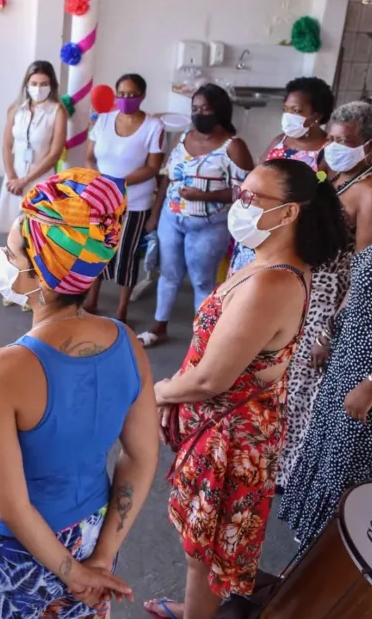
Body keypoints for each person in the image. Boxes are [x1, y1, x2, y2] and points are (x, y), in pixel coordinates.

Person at [147, 159, 347, 619]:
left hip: (232, 436)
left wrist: (153, 393)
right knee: (202, 541)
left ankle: (196, 614)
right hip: (227, 425)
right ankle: (195, 608)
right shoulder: (268, 262)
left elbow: (209, 379)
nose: (241, 204)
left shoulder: (272, 282)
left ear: (290, 213)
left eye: (253, 198)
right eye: (243, 193)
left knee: (207, 551)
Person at [0, 170, 158, 618]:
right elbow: (141, 457)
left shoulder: (4, 368)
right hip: (90, 532)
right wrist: (99, 559)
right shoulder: (126, 343)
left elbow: (12, 505)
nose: (4, 260)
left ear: (38, 269)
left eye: (11, 251)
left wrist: (72, 573)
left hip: (15, 553)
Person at [278, 115, 372, 551]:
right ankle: (296, 576)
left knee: (351, 481)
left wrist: (371, 386)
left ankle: (318, 583)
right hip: (350, 362)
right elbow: (361, 284)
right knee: (327, 467)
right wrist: (332, 333)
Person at [276, 101, 372, 489]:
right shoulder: (334, 174)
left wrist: (330, 331)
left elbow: (364, 270)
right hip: (307, 291)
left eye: (344, 141)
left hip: (331, 302)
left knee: (306, 390)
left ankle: (295, 477)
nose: (332, 145)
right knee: (290, 386)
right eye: (329, 137)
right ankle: (283, 468)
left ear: (371, 145)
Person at [138, 84, 254, 348]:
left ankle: (202, 338)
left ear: (220, 111)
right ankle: (159, 326)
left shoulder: (233, 147)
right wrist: (156, 214)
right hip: (172, 218)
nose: (199, 113)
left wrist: (204, 197)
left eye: (206, 109)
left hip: (209, 225)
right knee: (168, 274)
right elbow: (167, 178)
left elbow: (246, 192)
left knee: (202, 281)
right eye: (195, 109)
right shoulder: (184, 138)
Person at [228, 77, 334, 276]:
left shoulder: (327, 152)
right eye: (286, 110)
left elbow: (323, 202)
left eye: (297, 111)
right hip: (255, 228)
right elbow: (255, 177)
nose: (288, 116)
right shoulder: (280, 141)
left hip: (287, 239)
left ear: (317, 115)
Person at [84, 73, 165, 323]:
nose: (126, 99)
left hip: (134, 202)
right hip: (102, 199)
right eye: (121, 94)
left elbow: (152, 167)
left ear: (142, 96)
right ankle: (92, 299)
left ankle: (122, 308)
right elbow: (90, 156)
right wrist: (98, 180)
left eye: (132, 95)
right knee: (97, 249)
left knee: (126, 255)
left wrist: (120, 183)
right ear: (115, 96)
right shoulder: (103, 121)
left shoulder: (154, 126)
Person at [0, 60, 67, 236]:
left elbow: (55, 153)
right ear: (26, 84)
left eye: (43, 84)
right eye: (34, 83)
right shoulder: (16, 109)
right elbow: (7, 144)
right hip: (14, 178)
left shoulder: (58, 112)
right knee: (15, 234)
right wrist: (12, 177)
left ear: (52, 86)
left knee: (37, 233)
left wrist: (25, 180)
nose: (38, 88)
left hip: (40, 177)